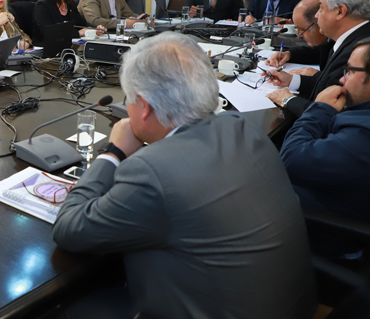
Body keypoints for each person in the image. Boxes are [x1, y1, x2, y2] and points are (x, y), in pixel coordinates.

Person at [52, 32, 316, 319]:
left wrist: (112, 152)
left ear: (144, 107)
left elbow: (69, 229)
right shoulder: (240, 126)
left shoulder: (152, 172)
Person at [281, 34, 370, 254]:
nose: (342, 80)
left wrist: (319, 109)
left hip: (313, 232)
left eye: (350, 71)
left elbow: (291, 161)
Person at [264, 0, 370, 117]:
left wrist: (287, 99)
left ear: (340, 11)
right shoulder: (362, 31)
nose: (317, 15)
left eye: (321, 8)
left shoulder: (361, 50)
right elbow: (330, 85)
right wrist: (292, 81)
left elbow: (330, 112)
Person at [265, 0, 331, 76]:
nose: (299, 34)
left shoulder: (346, 45)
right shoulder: (330, 41)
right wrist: (289, 54)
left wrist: (317, 76)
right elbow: (317, 53)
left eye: (302, 29)